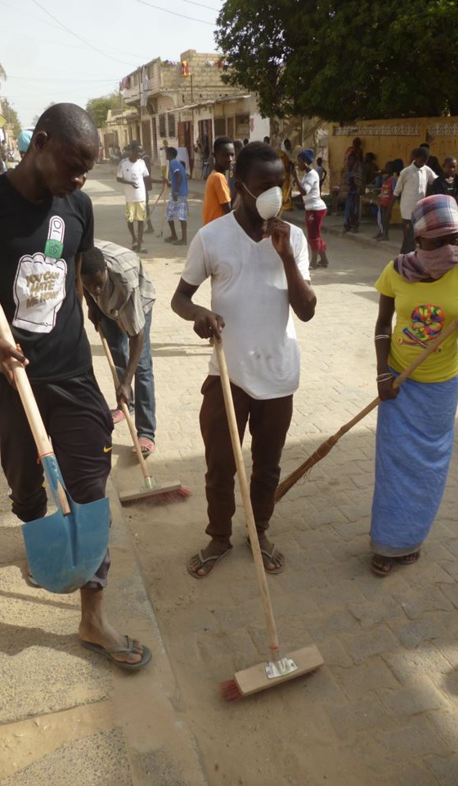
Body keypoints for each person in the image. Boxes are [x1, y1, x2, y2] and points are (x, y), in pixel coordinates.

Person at [0, 102, 150, 670]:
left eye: (87, 169)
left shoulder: (76, 204)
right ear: (42, 142)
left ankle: (93, 618)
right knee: (27, 490)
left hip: (74, 376)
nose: (81, 180)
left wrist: (104, 302)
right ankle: (39, 541)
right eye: (75, 165)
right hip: (12, 378)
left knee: (90, 490)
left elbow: (78, 274)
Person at [171, 141, 317, 578]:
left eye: (280, 184)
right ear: (241, 188)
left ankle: (259, 531)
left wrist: (287, 255)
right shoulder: (212, 237)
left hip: (278, 373)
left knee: (267, 466)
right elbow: (181, 298)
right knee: (219, 465)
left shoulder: (292, 238)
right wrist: (199, 314)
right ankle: (219, 536)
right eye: (264, 185)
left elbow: (306, 310)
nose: (275, 193)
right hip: (228, 374)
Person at [370, 194, 458, 577]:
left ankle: (410, 538)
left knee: (427, 468)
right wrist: (382, 375)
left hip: (440, 389)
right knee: (393, 467)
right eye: (435, 241)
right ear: (416, 239)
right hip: (399, 384)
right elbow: (382, 326)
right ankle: (386, 541)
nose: (445, 249)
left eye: (451, 240)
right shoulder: (396, 271)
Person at [82, 240, 157, 457]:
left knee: (141, 366)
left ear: (105, 269)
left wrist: (126, 382)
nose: (96, 289)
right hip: (106, 306)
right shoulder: (80, 261)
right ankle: (128, 405)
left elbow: (137, 335)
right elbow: (86, 284)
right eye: (90, 285)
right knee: (116, 353)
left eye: (98, 283)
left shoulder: (125, 279)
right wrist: (92, 304)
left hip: (139, 301)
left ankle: (146, 432)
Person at [391, 148, 436, 254]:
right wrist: (389, 209)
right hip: (407, 210)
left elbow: (435, 181)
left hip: (420, 209)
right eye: (421, 160)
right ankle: (406, 256)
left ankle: (405, 256)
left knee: (414, 236)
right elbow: (396, 192)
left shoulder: (427, 170)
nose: (423, 163)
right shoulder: (406, 172)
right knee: (409, 236)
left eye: (425, 161)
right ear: (415, 158)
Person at [295, 149, 329, 268]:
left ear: (305, 162)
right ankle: (324, 260)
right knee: (316, 235)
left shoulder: (312, 175)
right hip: (311, 208)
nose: (297, 164)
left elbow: (304, 191)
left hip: (316, 209)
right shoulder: (307, 175)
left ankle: (313, 262)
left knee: (313, 236)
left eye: (299, 162)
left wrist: (295, 176)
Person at [116, 141, 150, 254]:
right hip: (130, 198)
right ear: (132, 151)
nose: (140, 154)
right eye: (138, 151)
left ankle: (139, 245)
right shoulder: (123, 163)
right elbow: (118, 178)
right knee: (130, 220)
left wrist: (162, 181)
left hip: (141, 197)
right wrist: (130, 183)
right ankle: (134, 238)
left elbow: (146, 178)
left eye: (141, 151)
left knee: (141, 220)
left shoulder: (142, 163)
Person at [202, 136, 234, 226]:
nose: (230, 159)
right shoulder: (218, 178)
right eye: (226, 155)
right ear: (215, 155)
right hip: (216, 232)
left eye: (232, 155)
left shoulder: (213, 175)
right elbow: (229, 213)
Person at [163, 146, 189, 245]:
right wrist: (169, 184)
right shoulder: (177, 163)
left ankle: (183, 239)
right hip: (180, 192)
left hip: (179, 194)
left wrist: (176, 192)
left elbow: (179, 176)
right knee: (172, 215)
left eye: (166, 153)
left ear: (170, 154)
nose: (165, 155)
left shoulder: (173, 163)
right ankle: (175, 235)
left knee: (178, 216)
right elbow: (179, 178)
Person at [375, 161, 397, 241]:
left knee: (386, 219)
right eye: (386, 167)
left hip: (388, 202)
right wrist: (380, 176)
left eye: (389, 168)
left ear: (392, 170)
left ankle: (386, 234)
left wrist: (391, 204)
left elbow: (395, 191)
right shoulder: (384, 179)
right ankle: (381, 232)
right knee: (381, 218)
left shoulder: (393, 180)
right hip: (382, 201)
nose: (386, 169)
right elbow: (377, 186)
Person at [343, 153, 363, 233]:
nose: (350, 161)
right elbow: (344, 180)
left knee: (355, 210)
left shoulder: (358, 169)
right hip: (349, 192)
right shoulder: (346, 169)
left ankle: (355, 226)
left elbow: (360, 180)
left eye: (352, 159)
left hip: (356, 192)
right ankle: (347, 225)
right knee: (348, 209)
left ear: (355, 160)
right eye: (349, 159)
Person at [140, 148, 155, 234]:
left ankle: (149, 226)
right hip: (142, 188)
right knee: (145, 208)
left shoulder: (144, 162)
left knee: (145, 208)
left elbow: (147, 178)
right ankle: (149, 226)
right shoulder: (143, 162)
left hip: (143, 189)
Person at [279, 139, 294, 210]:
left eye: (289, 144)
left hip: (288, 175)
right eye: (287, 144)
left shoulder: (288, 153)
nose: (289, 146)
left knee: (288, 190)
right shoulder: (282, 154)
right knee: (285, 190)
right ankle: (285, 205)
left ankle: (288, 204)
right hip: (284, 175)